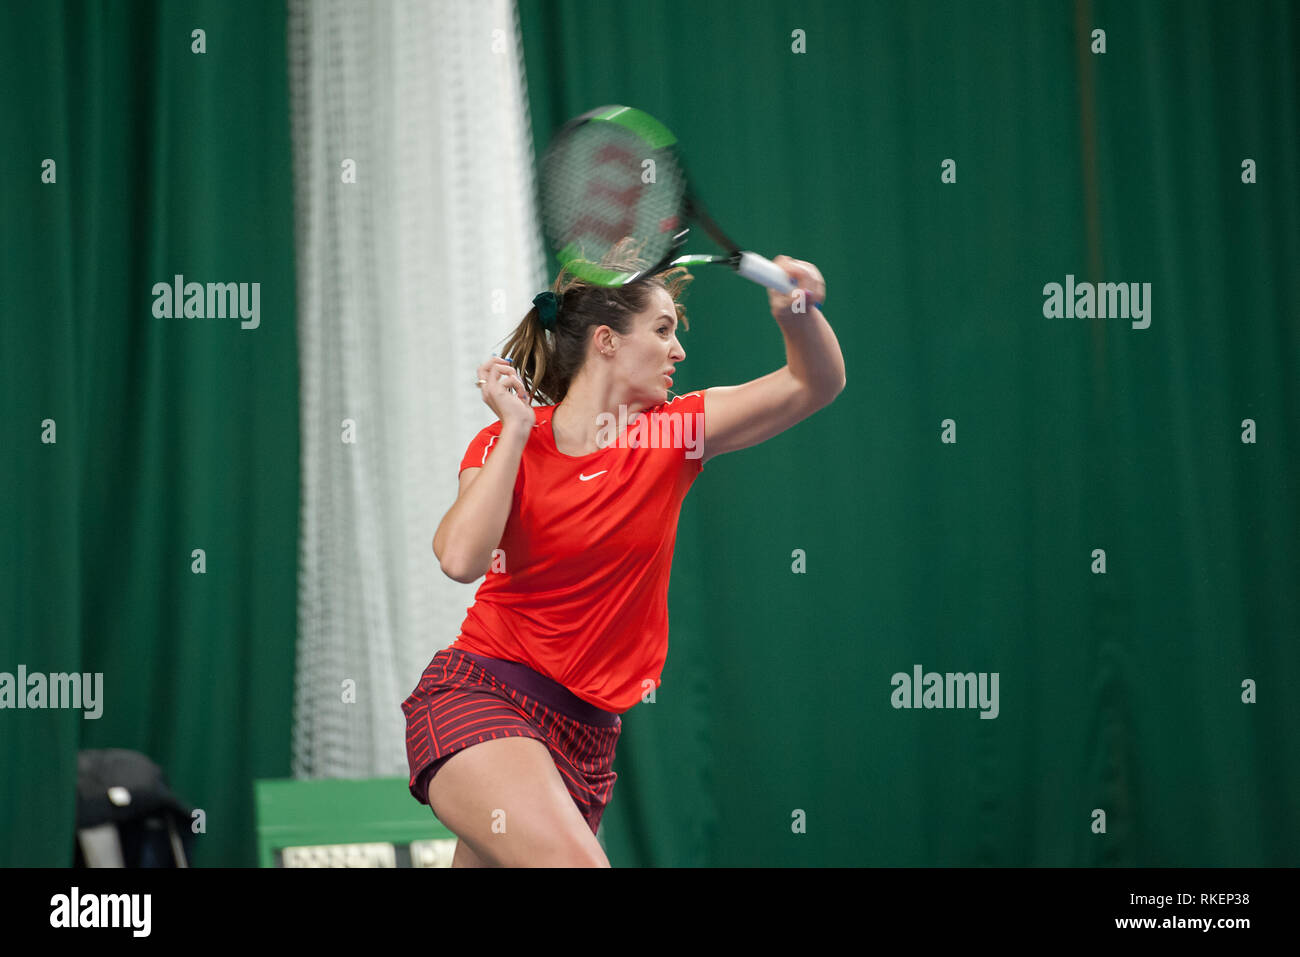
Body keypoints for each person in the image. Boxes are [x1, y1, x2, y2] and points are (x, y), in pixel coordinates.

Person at [401, 242, 844, 867]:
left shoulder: (674, 434)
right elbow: (460, 558)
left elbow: (812, 383)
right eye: (662, 330)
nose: (679, 350)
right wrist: (518, 430)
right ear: (606, 342)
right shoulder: (505, 440)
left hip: (586, 738)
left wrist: (796, 314)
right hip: (483, 699)